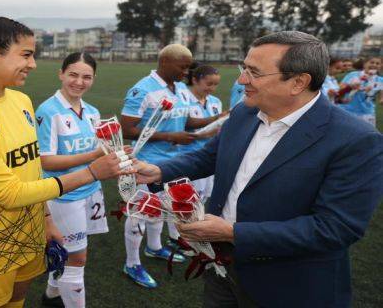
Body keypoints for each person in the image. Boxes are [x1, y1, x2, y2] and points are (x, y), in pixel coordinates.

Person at [135, 31, 383, 307]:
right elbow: (209, 157)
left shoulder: (356, 140)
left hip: (290, 286)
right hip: (221, 269)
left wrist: (233, 232)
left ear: (298, 82)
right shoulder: (244, 113)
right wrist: (157, 170)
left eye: (254, 72)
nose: (241, 80)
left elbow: (335, 228)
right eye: (244, 69)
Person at [0, 17, 128, 308]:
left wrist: (47, 220)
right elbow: (8, 193)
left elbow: (32, 170)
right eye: (25, 54)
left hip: (29, 231)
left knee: (17, 302)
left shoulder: (21, 101)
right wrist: (91, 172)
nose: (33, 64)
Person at [119, 45, 224, 288]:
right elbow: (127, 129)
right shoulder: (143, 89)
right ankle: (132, 262)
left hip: (172, 163)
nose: (187, 72)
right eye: (183, 66)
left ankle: (154, 248)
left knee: (162, 209)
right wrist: (169, 137)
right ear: (165, 62)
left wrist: (217, 119)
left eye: (189, 67)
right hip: (146, 162)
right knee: (140, 214)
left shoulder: (180, 90)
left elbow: (187, 122)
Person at [35, 52, 107, 308]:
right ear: (61, 74)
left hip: (91, 190)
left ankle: (52, 293)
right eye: (73, 75)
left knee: (71, 252)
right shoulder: (48, 111)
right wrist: (96, 155)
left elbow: (100, 149)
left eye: (86, 77)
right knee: (77, 258)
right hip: (64, 196)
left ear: (93, 79)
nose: (79, 82)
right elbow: (45, 160)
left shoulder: (93, 112)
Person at [181, 64, 223, 201]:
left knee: (201, 200)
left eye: (216, 84)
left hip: (210, 157)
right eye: (209, 84)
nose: (212, 88)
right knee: (185, 203)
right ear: (195, 80)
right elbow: (181, 126)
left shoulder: (216, 101)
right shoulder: (182, 100)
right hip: (189, 157)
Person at [339, 56, 382, 125]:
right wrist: (351, 87)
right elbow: (339, 89)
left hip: (367, 113)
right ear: (365, 64)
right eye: (372, 62)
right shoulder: (353, 74)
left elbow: (381, 99)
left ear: (380, 66)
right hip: (346, 110)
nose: (374, 65)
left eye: (377, 63)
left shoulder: (380, 80)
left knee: (366, 135)